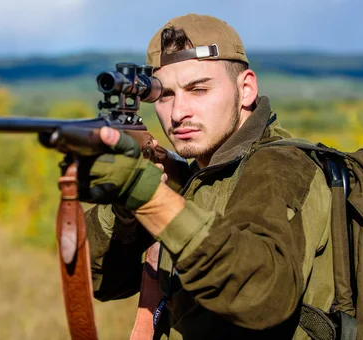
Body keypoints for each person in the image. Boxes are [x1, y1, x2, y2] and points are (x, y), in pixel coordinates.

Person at [81, 13, 334, 339]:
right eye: (165, 95)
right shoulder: (193, 176)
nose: (177, 112)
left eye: (198, 89)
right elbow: (97, 281)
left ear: (246, 90)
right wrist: (124, 211)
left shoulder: (283, 169)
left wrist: (151, 199)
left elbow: (260, 293)